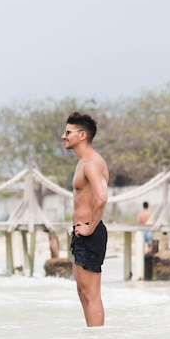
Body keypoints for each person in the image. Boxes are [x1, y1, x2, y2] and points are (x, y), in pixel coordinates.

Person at [62, 112, 109, 327]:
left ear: (82, 135)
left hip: (89, 233)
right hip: (82, 233)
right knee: (82, 292)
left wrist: (91, 228)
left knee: (91, 294)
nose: (64, 136)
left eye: (68, 132)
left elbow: (101, 197)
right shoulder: (83, 162)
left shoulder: (91, 162)